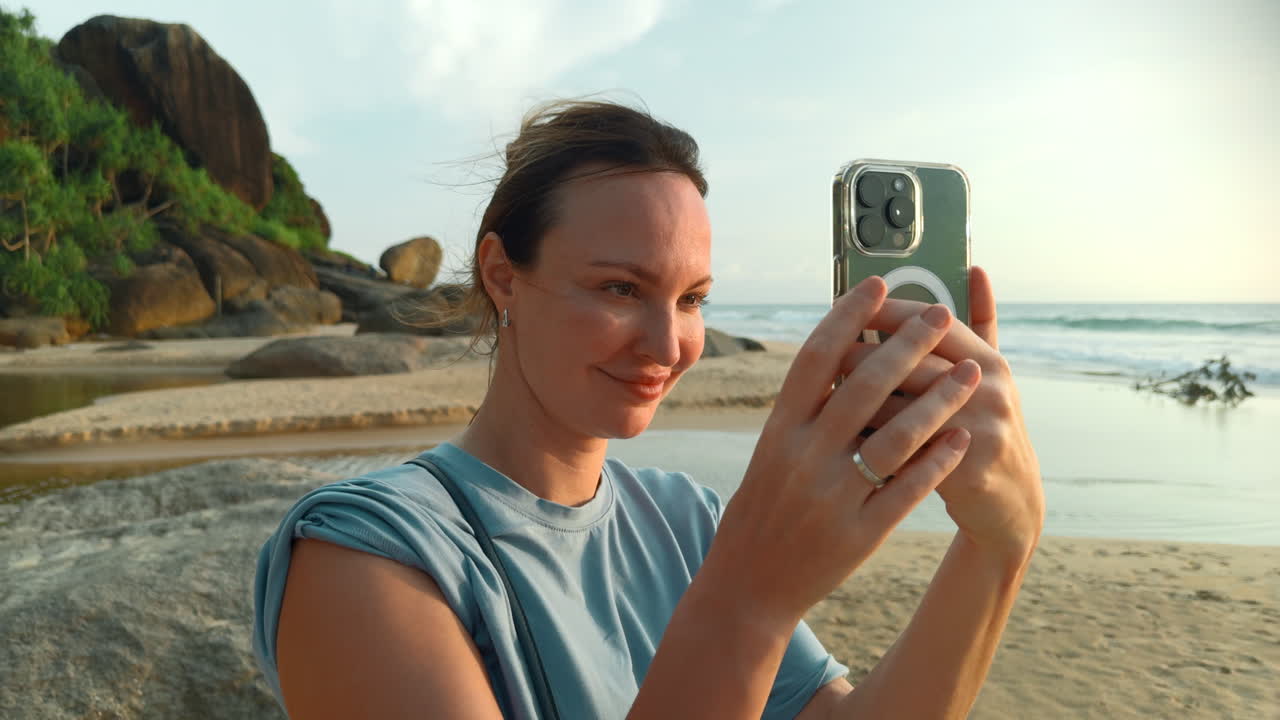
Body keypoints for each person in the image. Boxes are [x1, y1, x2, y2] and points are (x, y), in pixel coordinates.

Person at [252, 100, 1043, 719]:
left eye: (692, 298)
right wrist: (749, 601)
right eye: (620, 289)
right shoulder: (366, 556)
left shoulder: (685, 522)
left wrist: (996, 550)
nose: (668, 344)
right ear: (502, 276)